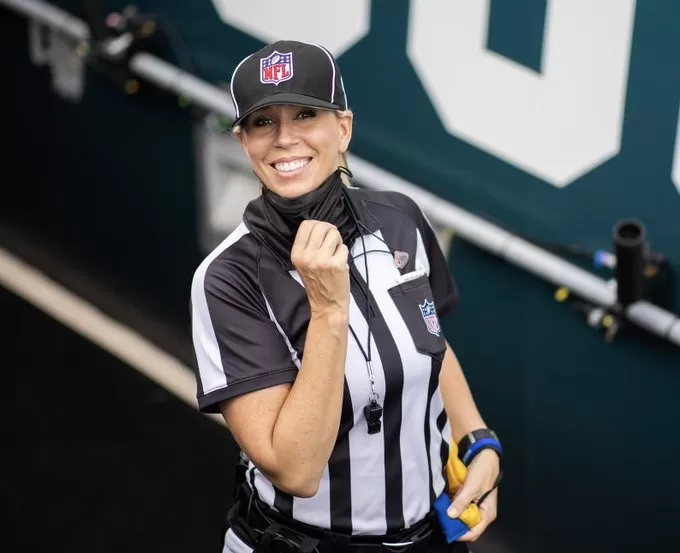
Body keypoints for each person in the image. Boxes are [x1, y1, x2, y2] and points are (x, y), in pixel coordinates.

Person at [190, 40, 503, 553]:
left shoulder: (401, 219)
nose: (285, 138)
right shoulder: (228, 279)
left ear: (344, 128)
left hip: (431, 539)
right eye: (263, 122)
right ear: (244, 142)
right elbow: (296, 470)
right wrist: (329, 310)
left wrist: (479, 442)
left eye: (307, 114)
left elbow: (430, 342)